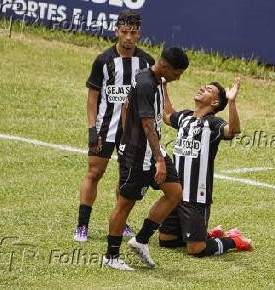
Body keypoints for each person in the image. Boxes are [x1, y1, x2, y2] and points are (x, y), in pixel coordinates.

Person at [103, 47, 189, 270]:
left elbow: (125, 108)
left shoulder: (157, 80)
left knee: (175, 192)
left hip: (153, 150)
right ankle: (111, 256)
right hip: (139, 155)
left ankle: (140, 240)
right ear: (166, 66)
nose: (178, 78)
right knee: (126, 203)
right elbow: (147, 125)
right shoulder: (145, 84)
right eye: (177, 73)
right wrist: (158, 159)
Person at [74, 10, 155, 242]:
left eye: (133, 32)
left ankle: (121, 221)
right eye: (124, 32)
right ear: (116, 32)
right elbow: (92, 97)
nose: (128, 37)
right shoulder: (103, 60)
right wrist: (92, 129)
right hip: (105, 128)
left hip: (132, 133)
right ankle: (82, 225)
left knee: (125, 177)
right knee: (94, 172)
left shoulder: (147, 62)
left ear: (139, 33)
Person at [158, 78, 253, 258]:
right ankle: (204, 234)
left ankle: (233, 240)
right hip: (174, 193)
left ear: (215, 102)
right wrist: (164, 86)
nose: (202, 88)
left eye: (208, 89)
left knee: (196, 250)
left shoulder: (214, 123)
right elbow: (167, 115)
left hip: (196, 196)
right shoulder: (185, 118)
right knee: (166, 241)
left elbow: (233, 131)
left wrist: (232, 102)